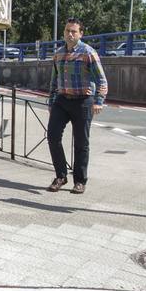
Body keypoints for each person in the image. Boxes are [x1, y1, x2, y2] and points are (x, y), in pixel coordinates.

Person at [46, 18, 108, 194]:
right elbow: (54, 81)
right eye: (67, 31)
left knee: (81, 142)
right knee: (52, 136)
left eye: (74, 31)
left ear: (81, 33)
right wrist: (51, 102)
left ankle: (80, 181)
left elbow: (102, 80)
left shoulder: (88, 53)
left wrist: (99, 101)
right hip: (62, 100)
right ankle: (61, 176)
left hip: (83, 101)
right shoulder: (58, 54)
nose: (70, 34)